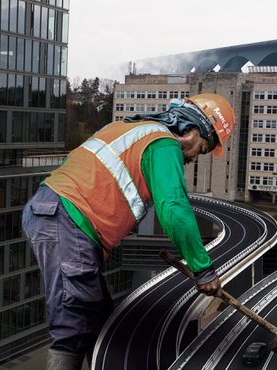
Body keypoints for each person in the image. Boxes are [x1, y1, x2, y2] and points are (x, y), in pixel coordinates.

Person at [22, 94, 235, 370]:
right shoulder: (162, 143)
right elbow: (173, 207)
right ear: (193, 129)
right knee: (73, 324)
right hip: (68, 218)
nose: (194, 158)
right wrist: (203, 270)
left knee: (101, 323)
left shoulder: (130, 128)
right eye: (202, 149)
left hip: (56, 214)